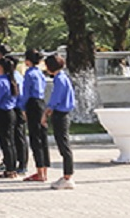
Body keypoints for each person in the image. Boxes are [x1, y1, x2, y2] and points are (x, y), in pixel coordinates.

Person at [44, 53, 76, 190]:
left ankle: (68, 176)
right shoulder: (63, 77)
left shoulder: (59, 80)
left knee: (64, 145)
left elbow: (56, 97)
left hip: (60, 114)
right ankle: (67, 175)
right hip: (63, 113)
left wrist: (47, 111)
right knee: (63, 144)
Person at [21, 49, 50, 182]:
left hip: (32, 104)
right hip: (41, 102)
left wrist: (23, 108)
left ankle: (39, 170)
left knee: (35, 138)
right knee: (42, 137)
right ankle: (44, 170)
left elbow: (26, 92)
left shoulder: (29, 73)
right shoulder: (40, 73)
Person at [0, 57, 20, 179]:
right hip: (11, 111)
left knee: (5, 142)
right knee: (11, 141)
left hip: (3, 112)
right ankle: (12, 167)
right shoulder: (11, 80)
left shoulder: (1, 81)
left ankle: (9, 168)